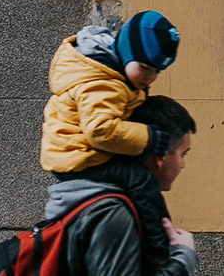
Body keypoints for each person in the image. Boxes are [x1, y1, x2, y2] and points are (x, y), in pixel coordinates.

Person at [41, 10, 183, 265]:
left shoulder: (112, 72)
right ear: (127, 51)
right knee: (141, 181)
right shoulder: (103, 82)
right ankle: (160, 251)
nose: (151, 77)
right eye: (146, 67)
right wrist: (148, 137)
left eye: (157, 71)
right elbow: (101, 131)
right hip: (78, 158)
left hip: (79, 152)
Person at [43, 95, 198, 275]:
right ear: (160, 157)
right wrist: (183, 259)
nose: (182, 164)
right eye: (183, 154)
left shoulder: (90, 198)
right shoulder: (113, 213)